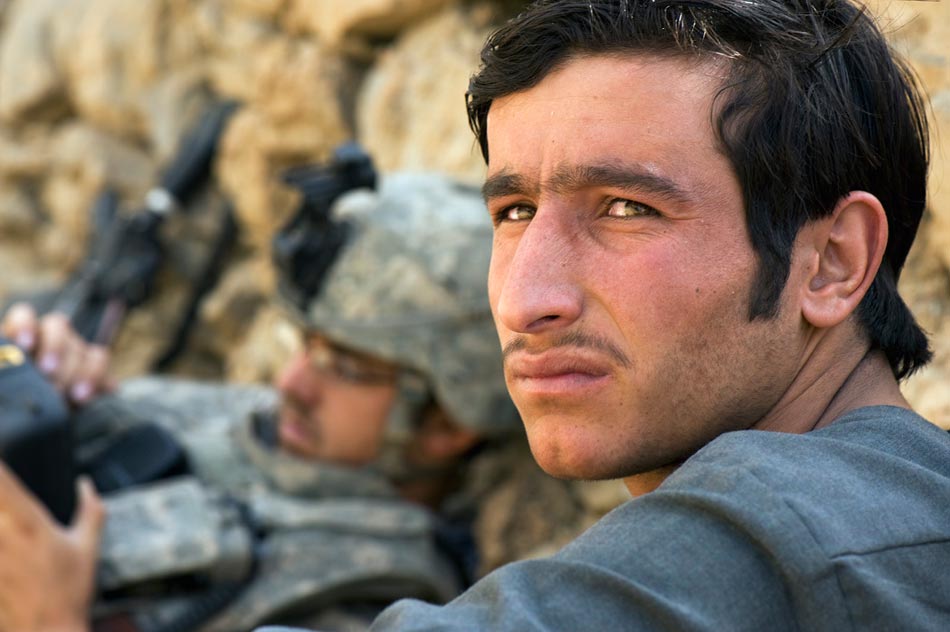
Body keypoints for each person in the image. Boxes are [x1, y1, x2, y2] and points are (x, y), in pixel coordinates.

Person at [285, 0, 946, 629]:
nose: (525, 301)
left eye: (627, 208)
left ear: (833, 261)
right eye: (514, 212)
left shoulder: (786, 526)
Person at [0, 171, 529, 631]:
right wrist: (42, 391)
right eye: (306, 344)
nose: (292, 384)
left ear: (445, 427)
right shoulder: (240, 418)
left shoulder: (370, 601)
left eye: (346, 368)